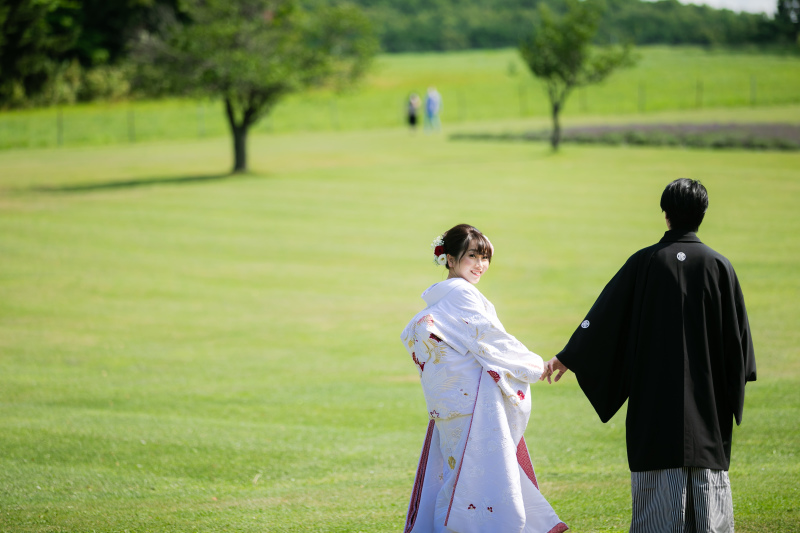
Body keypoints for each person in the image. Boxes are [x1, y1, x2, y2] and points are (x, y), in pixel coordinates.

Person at [542, 179, 756, 532]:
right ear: (702, 215)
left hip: (655, 396)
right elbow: (739, 341)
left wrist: (569, 356)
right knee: (706, 476)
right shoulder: (720, 266)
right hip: (708, 400)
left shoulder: (645, 262)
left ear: (666, 215)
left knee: (657, 478)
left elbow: (605, 317)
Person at [401, 224, 567, 533]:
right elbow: (490, 341)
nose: (480, 265)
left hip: (450, 404)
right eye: (472, 256)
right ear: (449, 259)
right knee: (473, 482)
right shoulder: (462, 295)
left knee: (461, 477)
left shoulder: (440, 300)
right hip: (471, 404)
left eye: (485, 257)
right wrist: (533, 365)